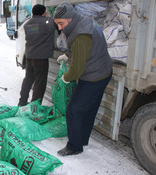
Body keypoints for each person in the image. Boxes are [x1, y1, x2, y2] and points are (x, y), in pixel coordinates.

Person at [53, 2, 112, 156]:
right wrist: (68, 55)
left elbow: (77, 70)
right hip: (103, 70)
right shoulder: (84, 20)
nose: (59, 28)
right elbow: (83, 49)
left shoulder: (81, 34)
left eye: (61, 23)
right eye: (57, 24)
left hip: (94, 76)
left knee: (73, 109)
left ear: (70, 19)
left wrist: (65, 78)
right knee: (89, 109)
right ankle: (82, 139)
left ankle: (74, 146)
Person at [18, 4, 57, 106]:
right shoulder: (48, 22)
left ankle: (22, 101)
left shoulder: (28, 24)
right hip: (41, 58)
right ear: (44, 12)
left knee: (28, 79)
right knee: (40, 82)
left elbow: (37, 32)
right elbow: (58, 28)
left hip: (29, 56)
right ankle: (35, 106)